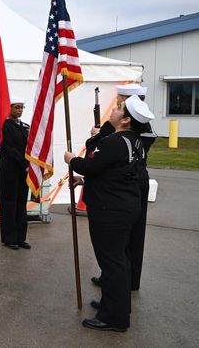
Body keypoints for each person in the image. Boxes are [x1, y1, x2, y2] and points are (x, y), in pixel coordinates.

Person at [65, 95, 154, 332]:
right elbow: (114, 174)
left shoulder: (114, 142)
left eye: (118, 108)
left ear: (125, 119)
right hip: (123, 207)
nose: (113, 110)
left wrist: (73, 161)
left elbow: (92, 165)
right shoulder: (134, 141)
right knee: (120, 260)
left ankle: (114, 317)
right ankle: (115, 306)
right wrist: (83, 179)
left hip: (110, 211)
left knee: (112, 263)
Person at [87, 84, 156, 291]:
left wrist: (94, 135)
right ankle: (123, 278)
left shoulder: (123, 125)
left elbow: (97, 152)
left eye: (120, 99)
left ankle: (119, 280)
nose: (117, 102)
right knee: (128, 238)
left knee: (118, 241)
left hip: (120, 186)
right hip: (135, 181)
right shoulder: (144, 123)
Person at [0, 96, 31, 250]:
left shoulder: (25, 126)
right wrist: (25, 163)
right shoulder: (5, 126)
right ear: (9, 108)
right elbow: (10, 148)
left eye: (21, 107)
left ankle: (20, 237)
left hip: (22, 171)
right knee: (9, 203)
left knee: (21, 203)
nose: (20, 110)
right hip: (9, 170)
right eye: (16, 107)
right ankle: (9, 238)